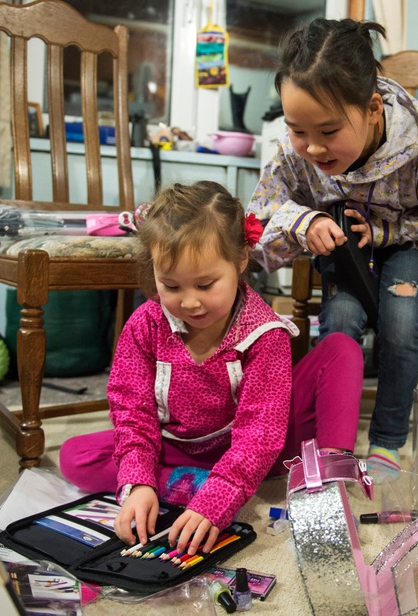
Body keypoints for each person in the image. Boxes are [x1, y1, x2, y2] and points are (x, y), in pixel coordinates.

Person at [59, 180, 363, 556]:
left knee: (342, 349)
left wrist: (221, 497)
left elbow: (261, 434)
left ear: (239, 261)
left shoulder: (264, 331)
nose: (190, 302)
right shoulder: (144, 324)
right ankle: (191, 483)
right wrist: (139, 483)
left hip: (262, 448)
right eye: (170, 285)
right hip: (180, 450)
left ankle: (327, 483)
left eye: (205, 284)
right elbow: (132, 411)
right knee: (75, 456)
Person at [247, 19, 418, 482]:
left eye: (328, 131)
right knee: (342, 322)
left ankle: (388, 442)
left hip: (409, 240)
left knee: (401, 322)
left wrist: (387, 232)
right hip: (344, 244)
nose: (312, 146)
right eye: (296, 130)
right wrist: (303, 219)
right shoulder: (297, 153)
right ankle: (333, 444)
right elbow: (261, 214)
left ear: (372, 109)